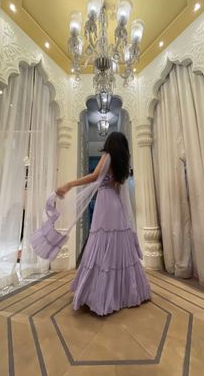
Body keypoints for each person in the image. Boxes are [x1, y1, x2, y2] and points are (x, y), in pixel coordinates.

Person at [56, 132, 151, 316]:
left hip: (105, 203)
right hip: (114, 203)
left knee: (101, 241)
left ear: (109, 144)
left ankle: (101, 294)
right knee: (117, 244)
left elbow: (94, 176)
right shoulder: (121, 163)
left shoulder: (107, 156)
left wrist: (69, 184)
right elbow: (116, 186)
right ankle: (123, 292)